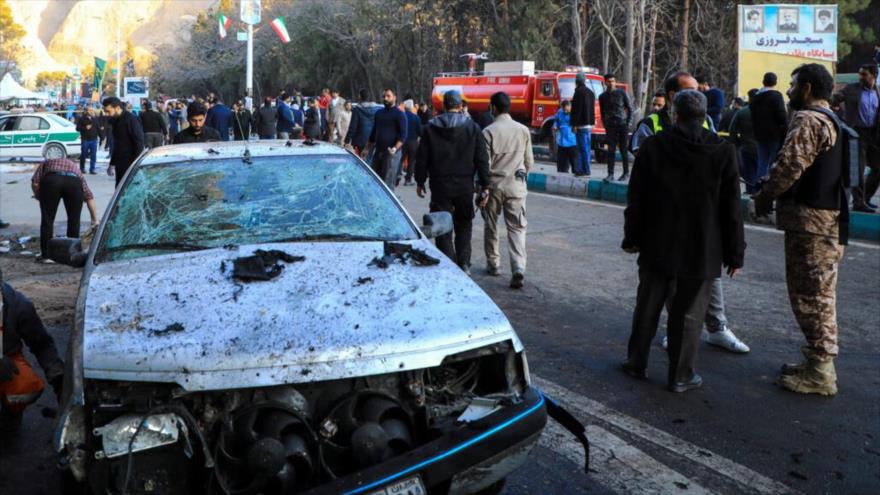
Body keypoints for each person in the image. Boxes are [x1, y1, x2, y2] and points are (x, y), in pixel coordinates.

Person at [621, 89, 745, 393]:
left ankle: (637, 362)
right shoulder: (723, 151)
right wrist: (735, 253)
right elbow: (731, 209)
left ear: (674, 114)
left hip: (656, 242)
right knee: (689, 315)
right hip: (702, 249)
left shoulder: (654, 147)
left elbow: (638, 198)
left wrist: (631, 237)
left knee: (647, 305)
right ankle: (680, 375)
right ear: (705, 117)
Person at [752, 64, 847, 396]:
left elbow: (790, 165)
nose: (789, 91)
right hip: (826, 221)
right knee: (816, 292)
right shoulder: (832, 118)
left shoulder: (808, 120)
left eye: (793, 86)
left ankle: (821, 372)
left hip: (813, 225)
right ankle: (816, 361)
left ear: (806, 89)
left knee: (813, 296)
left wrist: (765, 196)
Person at [415, 90, 490, 273]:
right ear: (460, 106)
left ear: (444, 105)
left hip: (440, 186)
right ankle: (464, 263)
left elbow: (422, 158)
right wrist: (485, 186)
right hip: (465, 186)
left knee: (442, 225)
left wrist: (420, 181)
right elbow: (482, 159)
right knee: (464, 223)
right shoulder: (472, 128)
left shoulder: (430, 128)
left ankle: (448, 264)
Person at [0, 271, 65, 431]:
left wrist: (59, 379)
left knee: (23, 386)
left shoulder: (19, 305)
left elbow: (41, 344)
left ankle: (10, 415)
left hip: (7, 360)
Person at [482, 92, 533, 289]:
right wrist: (521, 177)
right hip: (516, 186)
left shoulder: (488, 132)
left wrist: (483, 189)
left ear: (493, 107)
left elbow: (484, 165)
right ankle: (518, 267)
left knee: (491, 225)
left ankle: (494, 264)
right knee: (517, 227)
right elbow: (529, 162)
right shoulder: (523, 130)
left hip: (494, 186)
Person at [31, 157, 99, 261]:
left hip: (52, 181)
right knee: (74, 220)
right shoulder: (75, 167)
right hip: (74, 182)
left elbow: (35, 182)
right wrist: (94, 220)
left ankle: (46, 256)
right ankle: (73, 254)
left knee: (47, 220)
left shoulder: (46, 163)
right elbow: (89, 195)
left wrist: (39, 196)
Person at [833, 63, 879, 212]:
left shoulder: (878, 92)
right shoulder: (851, 88)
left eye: (864, 74)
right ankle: (859, 203)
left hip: (873, 134)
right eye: (860, 74)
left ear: (873, 75)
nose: (861, 77)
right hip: (856, 132)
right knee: (857, 169)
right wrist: (832, 102)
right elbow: (837, 97)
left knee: (878, 169)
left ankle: (865, 198)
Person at [364, 89, 408, 190]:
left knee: (387, 184)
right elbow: (374, 132)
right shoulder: (379, 113)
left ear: (394, 97)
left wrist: (395, 148)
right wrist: (366, 149)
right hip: (378, 152)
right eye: (384, 96)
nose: (385, 98)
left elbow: (403, 134)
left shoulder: (400, 114)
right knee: (375, 181)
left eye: (388, 96)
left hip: (392, 154)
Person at [750, 72, 789, 183]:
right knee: (773, 163)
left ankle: (758, 187)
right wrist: (786, 129)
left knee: (762, 162)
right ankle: (770, 189)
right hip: (775, 135)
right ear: (775, 83)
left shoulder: (755, 97)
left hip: (759, 135)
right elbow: (782, 115)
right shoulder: (776, 96)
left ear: (763, 81)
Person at [102, 96, 144, 186]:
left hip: (131, 163)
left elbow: (139, 143)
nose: (106, 114)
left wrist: (136, 164)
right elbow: (117, 145)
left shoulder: (131, 120)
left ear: (117, 108)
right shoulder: (114, 121)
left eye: (108, 111)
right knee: (119, 189)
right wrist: (112, 163)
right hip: (120, 163)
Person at [598, 73, 633, 181]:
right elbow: (602, 112)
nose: (612, 83)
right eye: (609, 81)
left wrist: (628, 123)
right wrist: (605, 124)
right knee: (611, 150)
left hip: (622, 125)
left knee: (623, 150)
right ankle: (610, 174)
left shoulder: (621, 93)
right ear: (605, 82)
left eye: (613, 81)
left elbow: (630, 108)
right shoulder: (602, 96)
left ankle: (626, 173)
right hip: (610, 127)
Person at [729, 89, 760, 193]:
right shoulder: (767, 112)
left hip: (747, 147)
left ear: (749, 98)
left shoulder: (742, 112)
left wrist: (738, 142)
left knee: (749, 173)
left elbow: (732, 129)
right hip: (765, 149)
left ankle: (750, 195)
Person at [569, 72, 595, 177]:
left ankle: (581, 170)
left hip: (581, 125)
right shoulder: (591, 92)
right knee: (587, 148)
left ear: (577, 81)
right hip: (589, 125)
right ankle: (586, 169)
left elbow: (577, 110)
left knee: (581, 148)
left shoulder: (578, 92)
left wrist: (574, 124)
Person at [345, 89, 381, 157]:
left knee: (360, 161)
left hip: (360, 140)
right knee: (370, 160)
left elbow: (353, 127)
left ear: (360, 97)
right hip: (373, 140)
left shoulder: (357, 110)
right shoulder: (377, 109)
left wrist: (347, 140)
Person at [553, 100, 578, 174]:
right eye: (564, 110)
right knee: (561, 164)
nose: (566, 111)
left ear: (570, 107)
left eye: (567, 110)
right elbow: (556, 121)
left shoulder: (575, 113)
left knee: (574, 163)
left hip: (572, 142)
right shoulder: (560, 112)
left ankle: (575, 174)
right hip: (562, 142)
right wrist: (555, 126)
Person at [401, 100, 422, 186]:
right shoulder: (416, 118)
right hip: (413, 141)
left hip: (402, 141)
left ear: (405, 107)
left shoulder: (401, 116)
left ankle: (396, 176)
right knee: (411, 161)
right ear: (412, 107)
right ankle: (408, 180)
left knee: (400, 159)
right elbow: (419, 131)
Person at [76, 106, 100, 174]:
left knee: (93, 155)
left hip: (94, 140)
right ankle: (82, 168)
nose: (91, 111)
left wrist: (102, 136)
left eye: (92, 110)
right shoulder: (81, 119)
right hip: (85, 140)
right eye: (90, 110)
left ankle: (92, 169)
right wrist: (85, 127)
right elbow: (77, 128)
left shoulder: (94, 119)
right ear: (86, 111)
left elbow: (98, 128)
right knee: (84, 155)